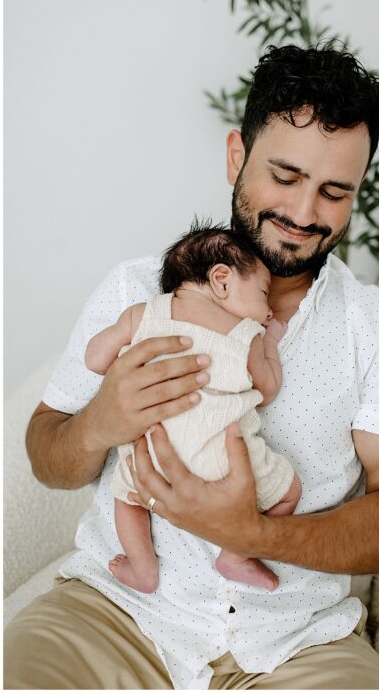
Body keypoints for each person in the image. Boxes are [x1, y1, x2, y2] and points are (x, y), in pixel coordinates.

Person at [6, 43, 379, 689]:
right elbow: (45, 452)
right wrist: (100, 420)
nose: (302, 214)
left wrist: (252, 531)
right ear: (236, 156)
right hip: (113, 617)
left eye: (333, 192)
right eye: (285, 176)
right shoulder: (134, 290)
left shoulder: (378, 330)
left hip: (299, 644)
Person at [86, 222, 300, 594]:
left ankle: (142, 567)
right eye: (263, 293)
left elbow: (94, 357)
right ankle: (235, 555)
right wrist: (270, 344)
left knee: (128, 500)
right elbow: (267, 390)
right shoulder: (245, 334)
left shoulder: (142, 314)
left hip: (149, 452)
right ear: (222, 280)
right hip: (222, 462)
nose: (267, 310)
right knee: (289, 491)